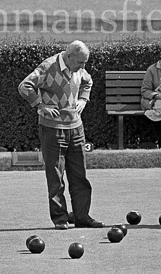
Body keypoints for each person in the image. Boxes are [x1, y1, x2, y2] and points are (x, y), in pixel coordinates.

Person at [18, 40, 103, 230]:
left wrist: (83, 99)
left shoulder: (79, 68)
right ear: (69, 55)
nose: (83, 67)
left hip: (76, 128)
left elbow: (88, 81)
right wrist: (40, 106)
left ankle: (82, 217)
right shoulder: (48, 67)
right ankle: (60, 219)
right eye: (81, 62)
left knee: (79, 176)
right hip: (52, 129)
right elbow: (25, 86)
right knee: (56, 176)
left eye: (85, 63)